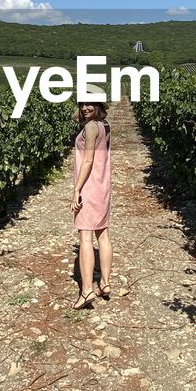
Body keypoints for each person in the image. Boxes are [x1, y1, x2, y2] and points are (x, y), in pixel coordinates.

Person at [71, 99, 113, 309]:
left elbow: (87, 160)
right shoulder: (104, 126)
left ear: (98, 106)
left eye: (90, 104)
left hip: (89, 186)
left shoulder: (90, 127)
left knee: (85, 236)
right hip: (102, 185)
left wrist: (77, 189)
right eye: (82, 104)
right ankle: (105, 283)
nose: (85, 108)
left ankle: (87, 289)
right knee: (103, 234)